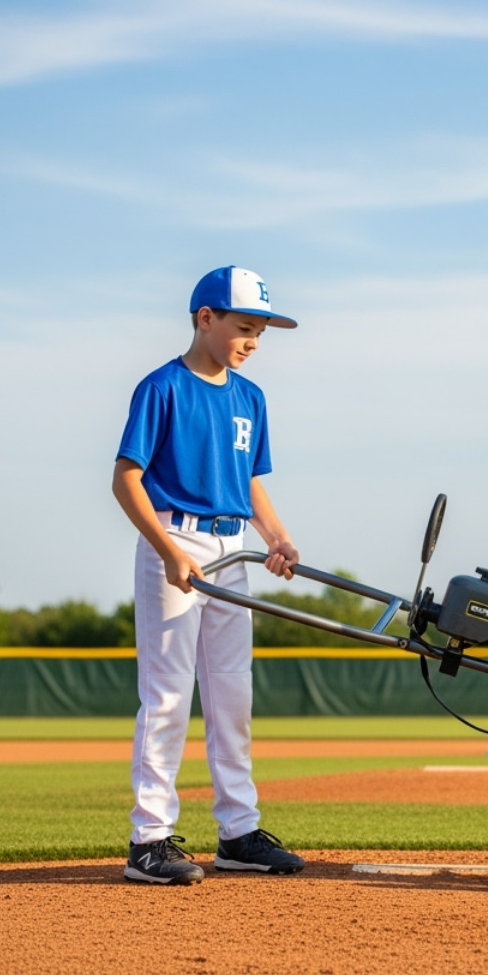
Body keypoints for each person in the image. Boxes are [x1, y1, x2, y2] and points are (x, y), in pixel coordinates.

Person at [111, 265, 305, 886]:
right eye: (244, 327)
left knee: (231, 693)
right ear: (205, 318)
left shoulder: (251, 399)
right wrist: (168, 550)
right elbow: (125, 478)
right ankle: (150, 839)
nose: (253, 342)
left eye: (260, 332)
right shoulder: (162, 387)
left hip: (233, 544)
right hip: (176, 540)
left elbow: (250, 484)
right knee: (168, 693)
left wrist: (277, 539)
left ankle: (239, 833)